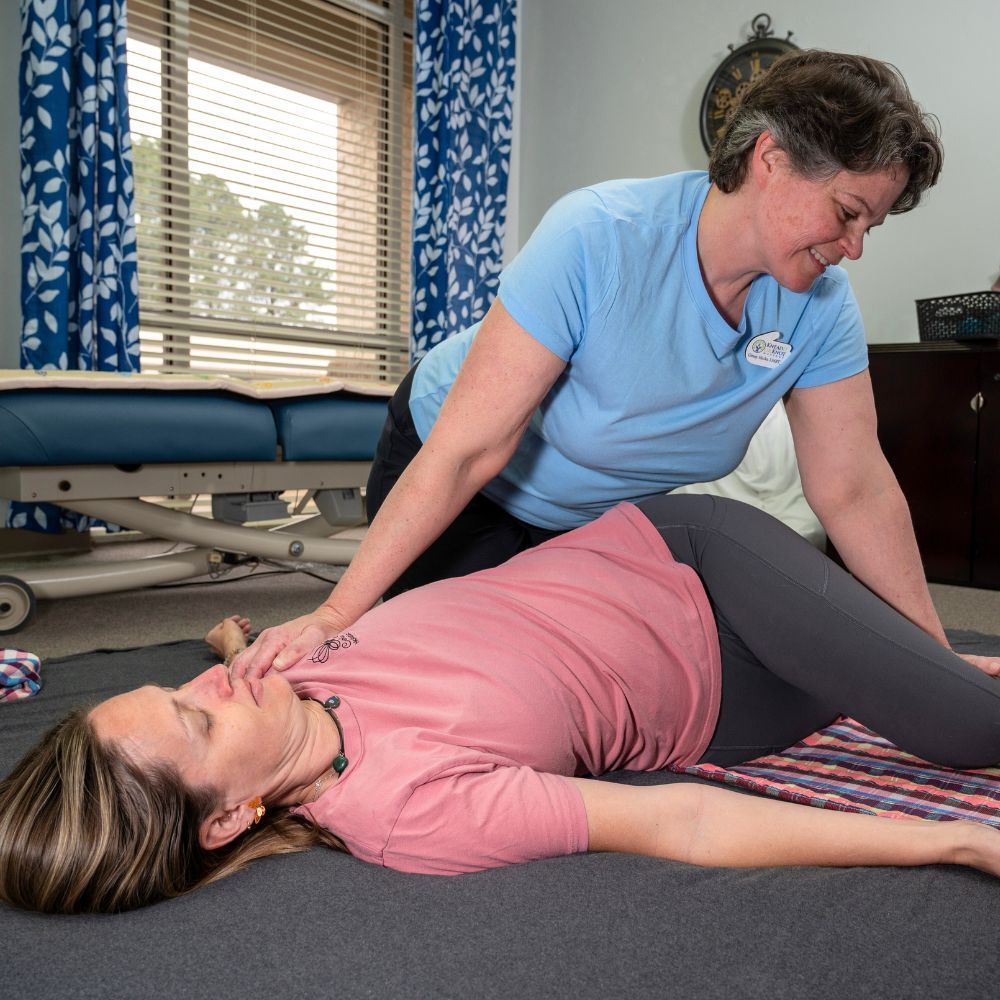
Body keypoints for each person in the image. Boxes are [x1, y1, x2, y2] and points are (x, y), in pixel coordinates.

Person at [233, 50, 989, 683]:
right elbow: (469, 451)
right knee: (441, 676)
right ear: (772, 160)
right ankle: (243, 642)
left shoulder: (820, 304)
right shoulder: (600, 236)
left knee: (640, 675)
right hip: (461, 479)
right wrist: (335, 614)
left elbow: (854, 487)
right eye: (848, 212)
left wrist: (934, 654)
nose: (855, 246)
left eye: (871, 226)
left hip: (585, 523)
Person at [2, 494, 1000, 915]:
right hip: (722, 710)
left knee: (957, 714)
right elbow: (682, 817)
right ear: (228, 817)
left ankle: (920, 669)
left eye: (180, 684)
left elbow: (230, 652)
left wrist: (224, 648)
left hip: (688, 558)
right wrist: (950, 841)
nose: (217, 684)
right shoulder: (408, 807)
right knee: (957, 717)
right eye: (200, 719)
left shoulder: (270, 666)